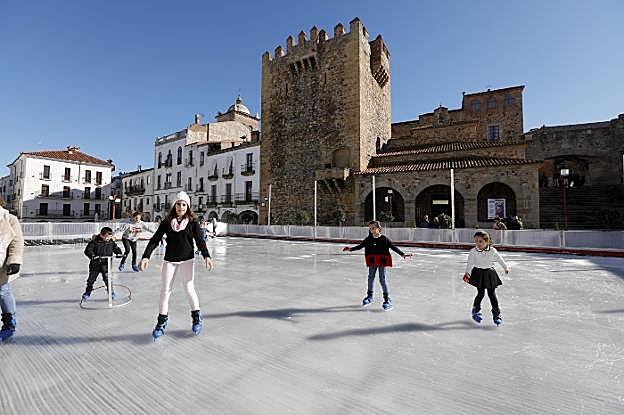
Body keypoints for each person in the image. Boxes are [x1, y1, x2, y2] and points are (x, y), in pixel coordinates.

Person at [140, 191, 213, 339]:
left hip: (187, 260)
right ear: (174, 205)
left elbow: (200, 240)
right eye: (179, 204)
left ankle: (196, 317)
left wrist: (206, 255)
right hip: (170, 260)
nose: (181, 207)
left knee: (189, 288)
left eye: (184, 204)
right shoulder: (167, 222)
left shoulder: (193, 222)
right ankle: (161, 322)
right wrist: (146, 256)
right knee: (165, 291)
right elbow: (155, 239)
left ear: (188, 206)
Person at [342, 220, 412, 311]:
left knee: (382, 279)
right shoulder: (368, 239)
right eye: (370, 229)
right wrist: (350, 249)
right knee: (370, 278)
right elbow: (360, 246)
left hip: (382, 261)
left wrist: (403, 254)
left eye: (373, 228)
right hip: (372, 261)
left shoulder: (384, 239)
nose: (372, 230)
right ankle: (369, 297)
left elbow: (393, 247)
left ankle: (387, 300)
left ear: (379, 229)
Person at [462, 231, 509, 326]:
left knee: (492, 294)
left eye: (480, 241)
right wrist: (467, 273)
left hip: (489, 273)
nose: (477, 244)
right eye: (476, 241)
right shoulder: (473, 251)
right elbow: (470, 263)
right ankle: (476, 310)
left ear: (487, 241)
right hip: (478, 273)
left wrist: (505, 267)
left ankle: (497, 314)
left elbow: (500, 259)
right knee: (480, 293)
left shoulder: (492, 250)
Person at [0, 201, 24, 341]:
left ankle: (9, 323)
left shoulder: (9, 219)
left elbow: (17, 241)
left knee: (3, 292)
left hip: (2, 265)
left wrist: (14, 260)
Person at [82, 227, 123, 302]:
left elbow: (116, 248)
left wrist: (119, 253)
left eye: (110, 237)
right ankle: (87, 292)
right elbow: (88, 250)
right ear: (101, 235)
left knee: (108, 280)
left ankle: (111, 292)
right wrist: (93, 256)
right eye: (107, 237)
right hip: (95, 265)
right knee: (91, 280)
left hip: (106, 265)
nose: (108, 238)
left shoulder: (111, 242)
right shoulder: (94, 242)